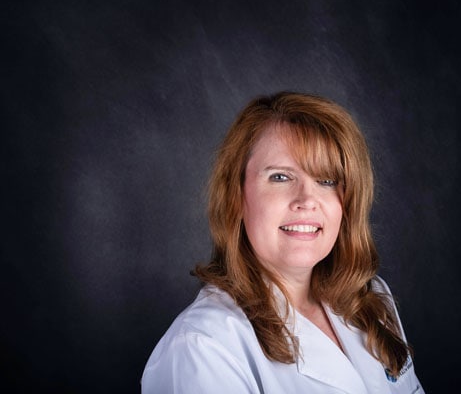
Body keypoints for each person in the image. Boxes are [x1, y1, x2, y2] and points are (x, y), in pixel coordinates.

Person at [141, 92, 424, 393]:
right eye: (280, 177)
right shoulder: (202, 348)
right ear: (237, 197)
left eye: (327, 181)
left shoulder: (371, 300)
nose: (307, 200)